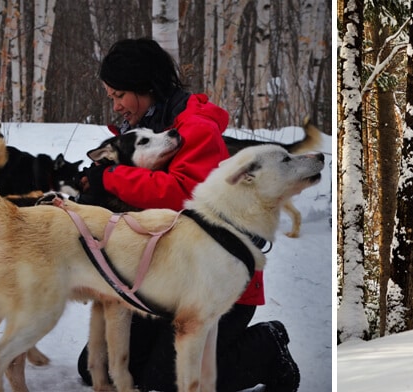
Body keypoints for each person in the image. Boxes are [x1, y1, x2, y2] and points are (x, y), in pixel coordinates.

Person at [76, 38, 299, 392]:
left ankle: (266, 349)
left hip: (217, 285)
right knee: (99, 366)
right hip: (166, 282)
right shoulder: (144, 131)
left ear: (145, 86)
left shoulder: (196, 127)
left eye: (119, 94)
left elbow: (184, 194)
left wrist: (112, 178)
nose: (115, 105)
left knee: (167, 381)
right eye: (111, 97)